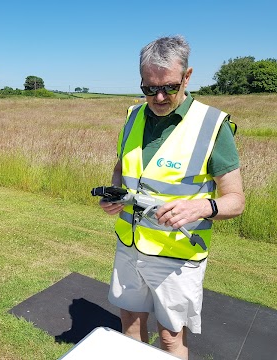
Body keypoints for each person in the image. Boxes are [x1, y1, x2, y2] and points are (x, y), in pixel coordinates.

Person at [100, 35, 245, 359]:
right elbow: (121, 168)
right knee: (129, 324)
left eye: (168, 87)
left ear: (187, 77)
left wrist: (201, 208)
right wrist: (113, 194)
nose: (159, 96)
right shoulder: (132, 116)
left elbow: (236, 199)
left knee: (169, 338)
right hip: (128, 246)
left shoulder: (212, 126)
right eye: (149, 88)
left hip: (176, 257)